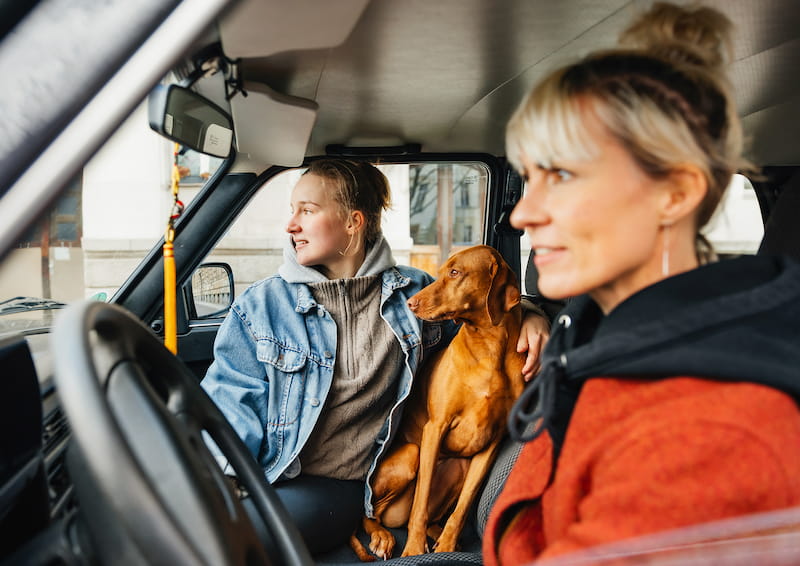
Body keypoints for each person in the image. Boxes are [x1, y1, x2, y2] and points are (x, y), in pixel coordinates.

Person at [483, 3, 800, 565]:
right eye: (528, 179)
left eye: (561, 175)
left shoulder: (712, 436)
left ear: (675, 193)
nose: (522, 214)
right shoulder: (595, 348)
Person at [201, 158, 549, 555]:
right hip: (273, 474)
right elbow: (228, 405)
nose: (290, 225)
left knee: (237, 543)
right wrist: (219, 487)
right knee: (205, 528)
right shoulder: (262, 306)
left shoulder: (413, 297)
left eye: (307, 211)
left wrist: (532, 317)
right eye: (291, 210)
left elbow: (483, 315)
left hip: (353, 484)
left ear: (354, 222)